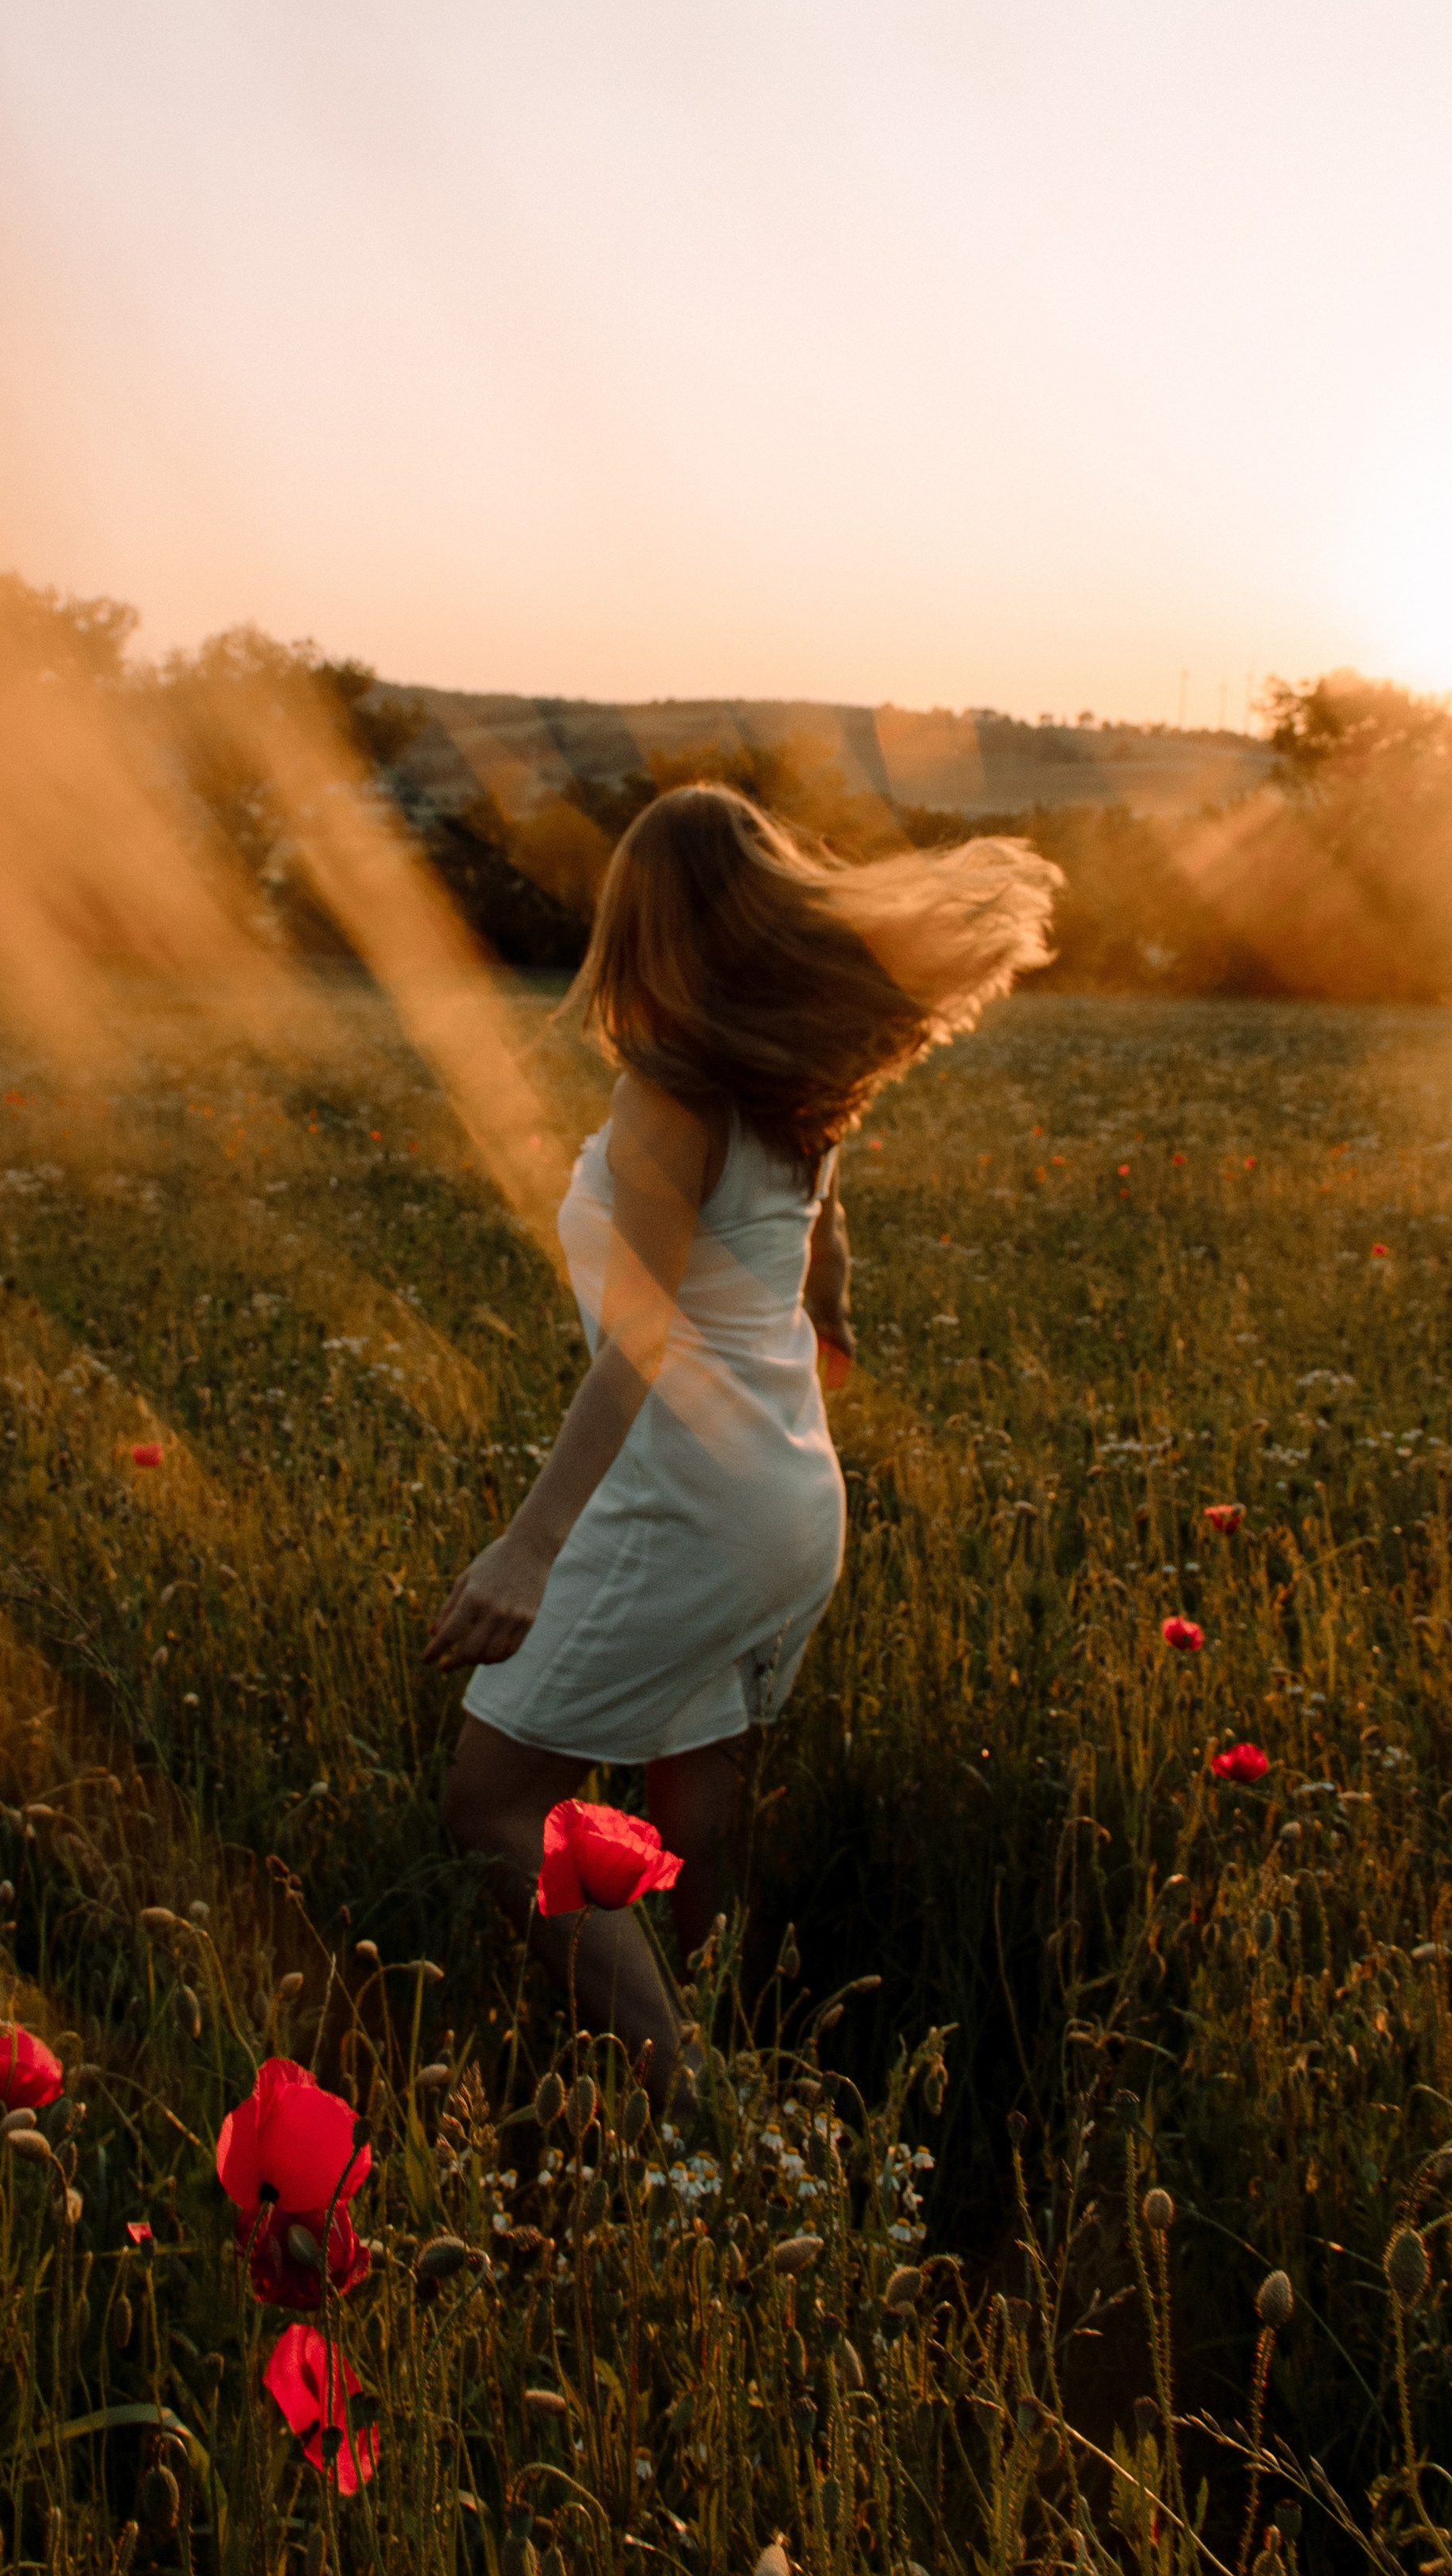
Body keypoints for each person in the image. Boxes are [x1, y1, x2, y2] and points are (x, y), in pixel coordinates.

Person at [426, 782, 1058, 2092]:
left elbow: (644, 1339)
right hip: (788, 1500)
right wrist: (825, 1322)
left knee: (490, 1799)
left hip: (696, 1508)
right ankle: (746, 2074)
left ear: (638, 924)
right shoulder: (797, 1090)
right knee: (695, 1796)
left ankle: (693, 2104)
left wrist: (527, 1550)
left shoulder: (673, 1091)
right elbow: (823, 1246)